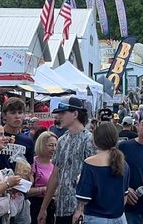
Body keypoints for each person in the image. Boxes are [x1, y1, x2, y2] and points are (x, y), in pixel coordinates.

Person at [38, 96, 95, 224]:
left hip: (81, 211)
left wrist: (82, 208)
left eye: (63, 113)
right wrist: (44, 207)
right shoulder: (62, 140)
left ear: (75, 114)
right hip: (61, 208)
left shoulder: (89, 140)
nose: (59, 116)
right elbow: (55, 175)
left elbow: (93, 177)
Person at [75, 123, 130, 224]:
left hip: (96, 218)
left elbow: (84, 198)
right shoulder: (123, 163)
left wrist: (79, 181)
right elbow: (124, 198)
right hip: (120, 218)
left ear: (95, 141)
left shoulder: (90, 163)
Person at [28, 131, 57, 224]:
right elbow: (25, 191)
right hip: (35, 205)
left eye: (56, 145)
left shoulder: (56, 164)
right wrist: (44, 189)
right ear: (42, 145)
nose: (54, 148)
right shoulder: (32, 163)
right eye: (51, 145)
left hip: (52, 206)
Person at [1, 98, 35, 170]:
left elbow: (31, 168)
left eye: (20, 113)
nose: (17, 116)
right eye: (13, 113)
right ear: (4, 115)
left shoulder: (28, 141)